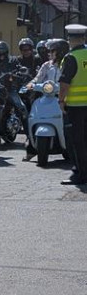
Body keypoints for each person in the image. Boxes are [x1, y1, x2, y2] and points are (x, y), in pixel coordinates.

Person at [58, 24, 87, 186]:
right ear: (83, 39)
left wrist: (61, 101)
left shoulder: (71, 58)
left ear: (70, 40)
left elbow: (64, 84)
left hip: (75, 107)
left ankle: (80, 174)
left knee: (76, 142)